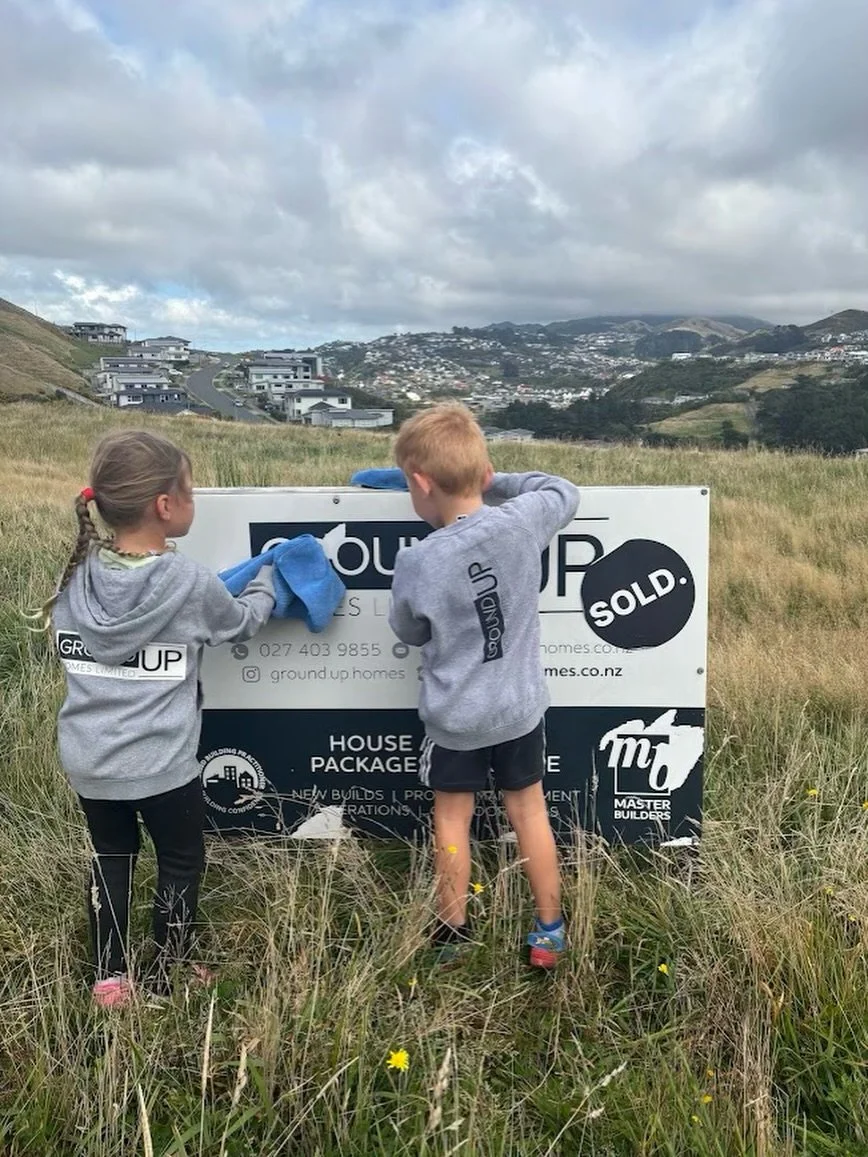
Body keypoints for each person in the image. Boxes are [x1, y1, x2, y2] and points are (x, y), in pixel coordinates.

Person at [47, 430, 275, 1007]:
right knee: (179, 859)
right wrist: (271, 582)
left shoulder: (77, 575)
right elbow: (239, 623)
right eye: (190, 490)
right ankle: (168, 968)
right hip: (163, 766)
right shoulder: (188, 581)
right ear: (165, 507)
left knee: (111, 861)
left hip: (90, 760)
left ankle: (109, 979)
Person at [388, 405, 579, 968]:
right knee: (530, 812)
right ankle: (549, 929)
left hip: (457, 718)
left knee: (452, 817)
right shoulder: (522, 519)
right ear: (482, 471)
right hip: (519, 709)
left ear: (422, 483)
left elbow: (408, 628)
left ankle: (452, 933)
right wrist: (498, 484)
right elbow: (562, 489)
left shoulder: (418, 560)